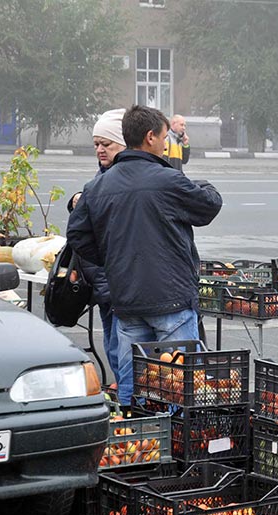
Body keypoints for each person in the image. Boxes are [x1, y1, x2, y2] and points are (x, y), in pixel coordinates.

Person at [67, 105, 223, 406]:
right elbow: (210, 205)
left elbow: (77, 235)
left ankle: (135, 438)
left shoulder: (97, 187)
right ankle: (177, 441)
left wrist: (112, 261)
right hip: (172, 301)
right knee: (179, 386)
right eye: (164, 137)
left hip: (127, 302)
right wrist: (201, 183)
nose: (167, 144)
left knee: (131, 383)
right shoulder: (167, 180)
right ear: (150, 137)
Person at [66, 108, 127, 393]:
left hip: (117, 275)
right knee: (113, 338)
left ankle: (127, 387)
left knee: (122, 338)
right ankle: (122, 381)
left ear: (124, 144)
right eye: (96, 145)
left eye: (107, 144)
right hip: (103, 274)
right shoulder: (102, 175)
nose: (100, 150)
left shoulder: (123, 176)